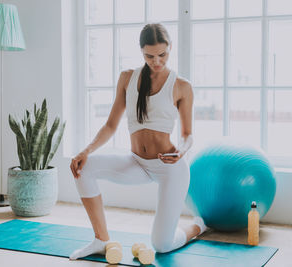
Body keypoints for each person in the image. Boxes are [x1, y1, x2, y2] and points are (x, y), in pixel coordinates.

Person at [69, 23, 207, 260]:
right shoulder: (127, 78)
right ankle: (101, 239)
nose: (156, 61)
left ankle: (198, 226)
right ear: (141, 51)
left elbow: (187, 134)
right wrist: (85, 151)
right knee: (82, 167)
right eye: (149, 56)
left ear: (170, 48)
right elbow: (111, 125)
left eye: (162, 55)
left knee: (162, 245)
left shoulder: (182, 86)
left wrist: (182, 151)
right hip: (136, 162)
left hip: (170, 169)